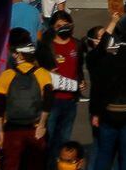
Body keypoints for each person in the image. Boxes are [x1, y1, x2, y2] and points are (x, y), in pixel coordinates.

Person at [0, 29, 76, 170]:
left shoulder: (6, 75)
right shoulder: (42, 74)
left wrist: (0, 132)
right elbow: (48, 100)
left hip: (11, 130)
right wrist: (42, 125)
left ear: (18, 55)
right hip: (35, 129)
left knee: (11, 164)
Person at [86, 25, 126, 170]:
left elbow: (97, 90)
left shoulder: (107, 62)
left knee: (104, 153)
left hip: (107, 115)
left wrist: (96, 113)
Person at [37, 14, 82, 155]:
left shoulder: (77, 44)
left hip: (70, 101)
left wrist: (81, 82)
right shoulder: (46, 46)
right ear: (52, 28)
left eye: (66, 24)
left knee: (63, 141)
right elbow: (38, 69)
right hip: (52, 100)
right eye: (59, 26)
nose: (63, 28)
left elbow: (79, 69)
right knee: (48, 141)